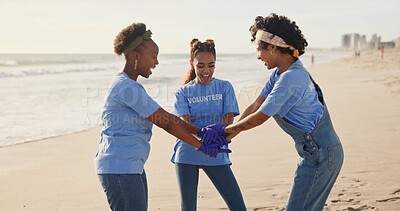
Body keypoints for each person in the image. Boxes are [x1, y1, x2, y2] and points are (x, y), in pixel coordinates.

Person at [216, 14, 344, 211]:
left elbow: (258, 118)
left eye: (260, 49)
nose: (258, 56)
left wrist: (221, 134)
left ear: (273, 48)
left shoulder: (291, 79)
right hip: (314, 153)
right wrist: (227, 136)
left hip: (321, 155)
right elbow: (255, 106)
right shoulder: (280, 73)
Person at [94, 23, 225, 211]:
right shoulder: (126, 87)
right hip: (120, 168)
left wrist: (201, 132)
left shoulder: (129, 85)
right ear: (136, 56)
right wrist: (202, 145)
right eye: (154, 56)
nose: (156, 62)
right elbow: (168, 123)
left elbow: (169, 119)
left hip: (129, 167)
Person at [171, 39, 246, 211]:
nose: (206, 71)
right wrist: (204, 138)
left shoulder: (224, 87)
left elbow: (229, 120)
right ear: (192, 63)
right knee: (188, 208)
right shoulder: (183, 92)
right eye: (201, 66)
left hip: (216, 151)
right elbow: (184, 124)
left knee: (238, 207)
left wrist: (215, 139)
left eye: (211, 65)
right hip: (187, 153)